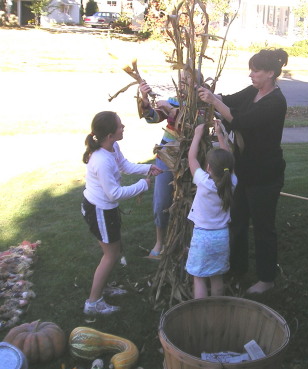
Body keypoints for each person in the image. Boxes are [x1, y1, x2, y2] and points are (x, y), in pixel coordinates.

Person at [198, 48, 288, 294]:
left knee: (263, 228)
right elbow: (229, 100)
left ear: (270, 73)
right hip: (243, 171)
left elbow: (240, 121)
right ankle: (236, 270)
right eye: (251, 69)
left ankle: (266, 279)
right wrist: (209, 94)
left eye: (256, 70)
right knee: (236, 223)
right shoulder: (254, 92)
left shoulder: (275, 102)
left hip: (265, 175)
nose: (251, 75)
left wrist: (214, 101)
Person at [81, 111, 162, 315]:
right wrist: (142, 186)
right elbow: (113, 194)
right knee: (111, 255)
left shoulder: (112, 146)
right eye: (119, 125)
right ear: (110, 134)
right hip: (100, 211)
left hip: (103, 210)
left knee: (112, 253)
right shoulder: (101, 160)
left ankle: (102, 288)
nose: (123, 126)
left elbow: (124, 166)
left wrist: (147, 169)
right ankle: (93, 302)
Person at [186, 120, 237, 298]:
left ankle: (201, 312)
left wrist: (197, 135)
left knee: (199, 277)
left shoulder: (203, 182)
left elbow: (191, 159)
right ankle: (217, 311)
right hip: (221, 236)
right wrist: (220, 136)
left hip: (202, 236)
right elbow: (228, 159)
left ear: (208, 168)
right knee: (217, 277)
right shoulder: (232, 181)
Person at [138, 80, 179, 259]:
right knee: (162, 201)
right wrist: (146, 103)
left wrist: (171, 109)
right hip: (165, 155)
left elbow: (191, 123)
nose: (183, 84)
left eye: (188, 79)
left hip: (192, 157)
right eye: (182, 80)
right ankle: (160, 241)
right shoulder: (174, 99)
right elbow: (154, 118)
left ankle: (184, 240)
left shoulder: (202, 103)